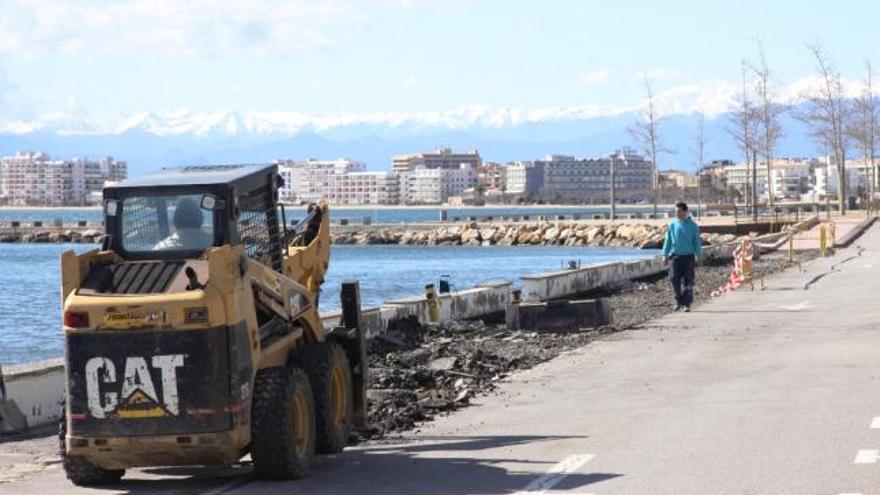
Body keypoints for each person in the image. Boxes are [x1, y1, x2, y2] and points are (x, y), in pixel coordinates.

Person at [661, 202, 702, 312]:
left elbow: (697, 242)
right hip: (675, 257)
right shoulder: (672, 225)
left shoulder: (693, 226)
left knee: (688, 281)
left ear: (685, 211)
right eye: (676, 212)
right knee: (674, 279)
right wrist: (664, 255)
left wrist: (699, 256)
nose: (677, 214)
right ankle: (678, 300)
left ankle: (686, 304)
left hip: (688, 257)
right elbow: (668, 241)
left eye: (679, 211)